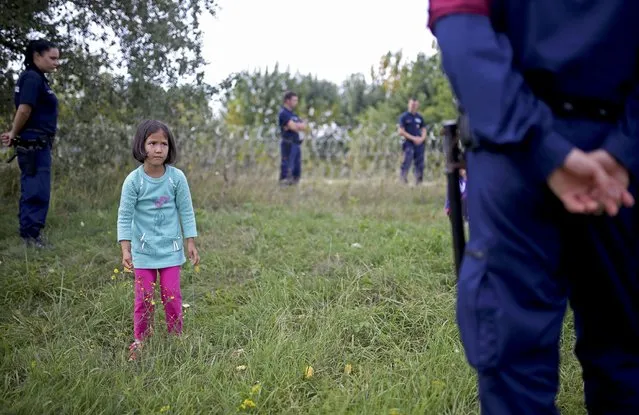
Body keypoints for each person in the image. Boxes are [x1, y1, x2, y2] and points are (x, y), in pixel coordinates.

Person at [428, 1, 638, 413]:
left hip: (513, 154)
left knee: (515, 370)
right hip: (617, 164)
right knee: (627, 357)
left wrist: (540, 146)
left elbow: (461, 28)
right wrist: (626, 149)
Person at [117, 119, 201, 361]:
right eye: (152, 143)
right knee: (144, 298)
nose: (158, 149)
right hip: (143, 253)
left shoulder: (176, 178)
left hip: (171, 251)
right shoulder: (134, 181)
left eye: (163, 144)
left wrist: (191, 242)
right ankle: (141, 339)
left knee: (171, 295)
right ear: (141, 146)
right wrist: (126, 249)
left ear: (169, 147)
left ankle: (176, 336)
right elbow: (125, 215)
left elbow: (186, 210)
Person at [1, 39, 60, 248]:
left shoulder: (38, 79)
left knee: (37, 187)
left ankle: (31, 234)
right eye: (52, 58)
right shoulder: (33, 78)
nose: (57, 63)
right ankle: (30, 237)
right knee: (36, 189)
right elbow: (24, 109)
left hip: (38, 144)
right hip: (33, 144)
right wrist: (14, 132)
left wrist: (13, 133)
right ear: (37, 56)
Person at [278, 91, 306, 185]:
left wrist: (295, 126)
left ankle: (294, 183)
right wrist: (296, 126)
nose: (296, 102)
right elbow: (293, 127)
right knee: (287, 164)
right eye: (294, 100)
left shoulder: (293, 115)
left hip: (296, 143)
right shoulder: (283, 113)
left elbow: (304, 126)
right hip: (288, 143)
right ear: (287, 100)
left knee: (296, 166)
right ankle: (284, 183)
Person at [398, 98, 427, 184]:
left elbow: (424, 129)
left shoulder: (420, 117)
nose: (413, 106)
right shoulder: (404, 117)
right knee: (407, 161)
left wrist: (422, 138)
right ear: (408, 104)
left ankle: (419, 181)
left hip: (419, 143)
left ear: (417, 105)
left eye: (415, 105)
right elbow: (400, 131)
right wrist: (413, 138)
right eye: (412, 104)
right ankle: (403, 180)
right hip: (408, 143)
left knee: (420, 163)